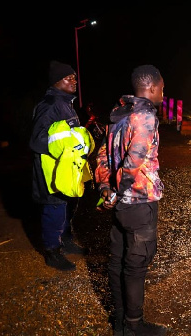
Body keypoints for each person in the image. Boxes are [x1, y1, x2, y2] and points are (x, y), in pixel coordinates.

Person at [95, 65, 168, 336]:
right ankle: (134, 326)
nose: (163, 92)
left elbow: (102, 154)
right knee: (136, 265)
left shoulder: (119, 113)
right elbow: (134, 160)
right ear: (151, 87)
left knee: (117, 261)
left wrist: (104, 187)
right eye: (162, 87)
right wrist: (117, 191)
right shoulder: (145, 116)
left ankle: (119, 321)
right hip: (137, 203)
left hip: (119, 205)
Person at [29, 60, 88, 272]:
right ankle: (52, 252)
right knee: (54, 208)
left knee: (67, 205)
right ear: (56, 81)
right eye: (68, 78)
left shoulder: (64, 103)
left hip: (66, 168)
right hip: (52, 170)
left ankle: (65, 239)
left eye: (74, 77)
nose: (74, 81)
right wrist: (64, 146)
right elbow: (36, 140)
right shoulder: (50, 104)